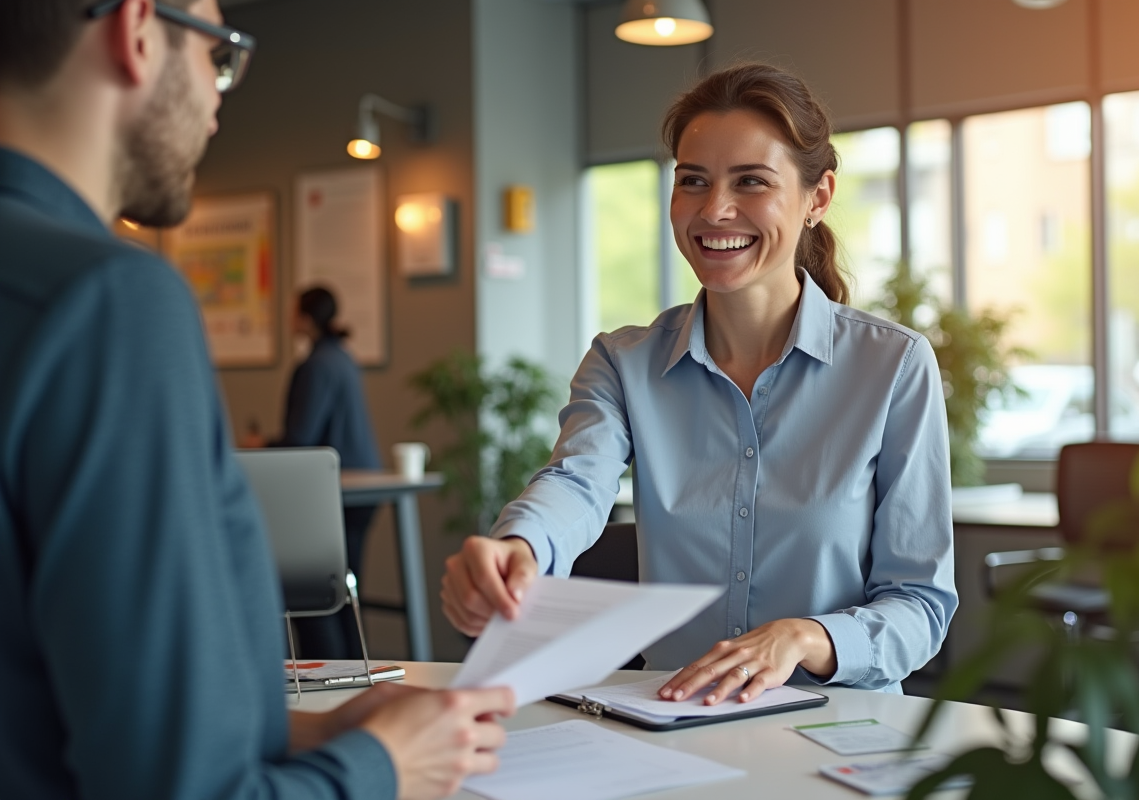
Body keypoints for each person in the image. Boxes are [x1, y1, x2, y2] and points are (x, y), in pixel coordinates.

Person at [0, 2, 510, 799]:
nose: (219, 94)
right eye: (219, 53)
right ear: (136, 31)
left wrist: (296, 731)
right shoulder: (109, 303)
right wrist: (386, 768)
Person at [441, 62, 957, 702]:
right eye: (693, 181)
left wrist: (805, 637)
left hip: (837, 734)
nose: (715, 210)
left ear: (817, 198)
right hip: (677, 729)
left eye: (752, 181)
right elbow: (576, 482)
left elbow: (920, 605)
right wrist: (519, 546)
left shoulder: (894, 367)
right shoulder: (622, 364)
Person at [261, 284, 382, 658]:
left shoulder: (315, 365)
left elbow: (301, 437)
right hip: (363, 489)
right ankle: (349, 681)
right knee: (343, 596)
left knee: (314, 601)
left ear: (304, 317)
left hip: (329, 495)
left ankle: (327, 683)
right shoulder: (343, 358)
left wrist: (261, 446)